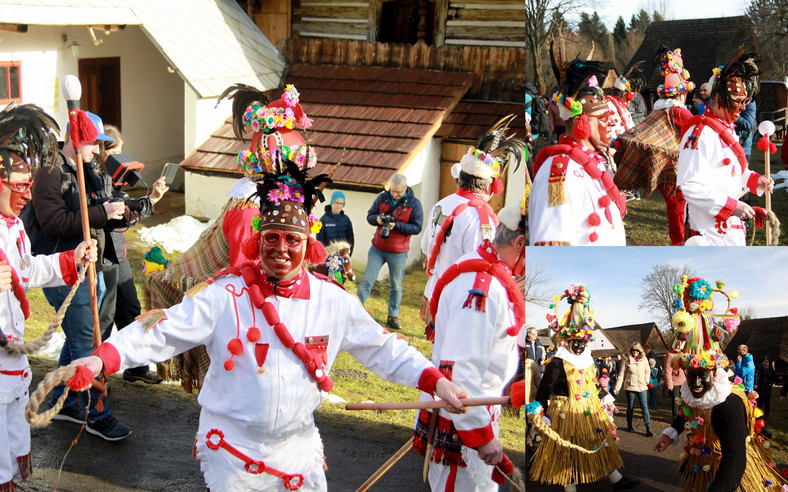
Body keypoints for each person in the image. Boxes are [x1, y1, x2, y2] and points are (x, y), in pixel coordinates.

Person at [70, 119, 469, 491]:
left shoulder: (332, 300)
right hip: (233, 452)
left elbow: (385, 348)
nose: (281, 249)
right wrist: (102, 357)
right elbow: (161, 328)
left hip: (299, 455)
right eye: (272, 238)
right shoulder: (226, 295)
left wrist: (436, 381)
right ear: (258, 241)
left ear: (309, 245)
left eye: (292, 240)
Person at [0, 103, 98, 491]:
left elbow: (28, 272)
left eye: (29, 185)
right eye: (19, 187)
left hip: (13, 364)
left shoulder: (15, 229)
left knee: (11, 442)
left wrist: (70, 259)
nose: (26, 195)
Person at [22, 109, 132, 441]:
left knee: (76, 337)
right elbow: (53, 222)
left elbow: (100, 212)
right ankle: (94, 411)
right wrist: (102, 212)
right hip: (61, 268)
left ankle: (64, 399)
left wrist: (124, 212)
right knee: (87, 340)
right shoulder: (49, 171)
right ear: (77, 139)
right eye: (93, 143)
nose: (98, 150)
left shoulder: (86, 168)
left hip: (89, 264)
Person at [412, 198, 525, 491]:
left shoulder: (485, 269)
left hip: (471, 413)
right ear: (521, 244)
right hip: (464, 419)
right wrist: (481, 435)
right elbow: (458, 373)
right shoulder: (482, 288)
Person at [654, 275, 785, 491]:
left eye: (702, 375)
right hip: (703, 461)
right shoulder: (692, 394)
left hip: (731, 474)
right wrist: (671, 433)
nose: (695, 383)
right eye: (690, 375)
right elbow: (686, 413)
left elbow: (735, 458)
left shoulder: (727, 403)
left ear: (715, 373)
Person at [530, 284, 639, 491]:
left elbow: (593, 383)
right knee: (565, 450)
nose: (579, 346)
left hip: (589, 411)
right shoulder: (557, 362)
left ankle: (617, 480)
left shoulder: (588, 361)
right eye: (575, 342)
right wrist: (540, 412)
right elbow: (544, 390)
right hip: (566, 413)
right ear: (567, 340)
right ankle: (569, 488)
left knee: (600, 442)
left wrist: (604, 395)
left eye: (582, 342)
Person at [419, 119, 523, 326]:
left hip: (435, 290)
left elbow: (425, 248)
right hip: (459, 299)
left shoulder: (442, 203)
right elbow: (483, 265)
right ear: (489, 186)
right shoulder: (480, 216)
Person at [677, 50, 773, 246]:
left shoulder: (726, 130)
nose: (743, 108)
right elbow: (689, 186)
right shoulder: (700, 133)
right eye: (738, 101)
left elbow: (732, 171)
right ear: (720, 98)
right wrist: (731, 205)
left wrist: (756, 180)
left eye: (745, 101)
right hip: (709, 232)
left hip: (731, 229)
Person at [528, 56, 627, 246]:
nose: (612, 122)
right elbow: (550, 244)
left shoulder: (596, 163)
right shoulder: (559, 172)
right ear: (578, 122)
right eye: (602, 117)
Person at [98, 125, 168, 384]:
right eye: (115, 150)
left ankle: (136, 368)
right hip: (102, 255)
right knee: (105, 315)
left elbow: (126, 217)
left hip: (119, 252)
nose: (120, 156)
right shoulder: (94, 177)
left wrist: (152, 198)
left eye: (122, 150)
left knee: (130, 308)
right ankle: (97, 373)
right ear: (101, 151)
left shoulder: (118, 177)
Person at [613, 47, 694, 246]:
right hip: (677, 171)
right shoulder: (679, 113)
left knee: (675, 207)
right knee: (681, 208)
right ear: (681, 95)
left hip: (662, 168)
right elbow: (698, 131)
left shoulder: (657, 111)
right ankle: (682, 242)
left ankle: (679, 242)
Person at [356, 173, 423, 330]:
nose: (394, 194)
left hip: (398, 251)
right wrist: (377, 219)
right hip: (377, 248)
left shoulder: (414, 204)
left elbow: (417, 227)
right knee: (367, 280)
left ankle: (393, 316)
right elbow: (370, 216)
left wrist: (396, 226)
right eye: (392, 191)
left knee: (396, 286)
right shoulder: (382, 198)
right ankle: (356, 310)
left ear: (405, 188)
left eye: (398, 192)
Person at [614, 342, 652, 436]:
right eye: (633, 350)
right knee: (630, 407)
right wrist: (617, 388)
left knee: (645, 407)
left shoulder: (644, 359)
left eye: (637, 350)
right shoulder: (626, 360)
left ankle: (648, 428)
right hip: (630, 386)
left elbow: (647, 371)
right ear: (631, 350)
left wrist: (646, 381)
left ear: (640, 351)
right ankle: (629, 425)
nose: (635, 352)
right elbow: (621, 374)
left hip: (642, 386)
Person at [315, 190, 354, 255]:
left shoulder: (346, 219)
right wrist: (325, 254)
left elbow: (351, 239)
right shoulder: (324, 219)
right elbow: (320, 239)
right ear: (332, 202)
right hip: (328, 255)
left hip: (343, 255)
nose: (339, 205)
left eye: (341, 203)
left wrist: (348, 254)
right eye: (337, 203)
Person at [664, 343, 686, 422]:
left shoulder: (683, 354)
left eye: (679, 345)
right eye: (676, 344)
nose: (678, 346)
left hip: (683, 382)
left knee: (684, 401)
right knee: (676, 401)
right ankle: (676, 419)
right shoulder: (670, 355)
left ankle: (683, 418)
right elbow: (667, 371)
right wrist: (670, 385)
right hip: (675, 383)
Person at [755, 356, 776, 421]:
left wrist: (771, 383)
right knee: (760, 402)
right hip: (761, 387)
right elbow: (757, 377)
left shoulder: (771, 369)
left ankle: (767, 415)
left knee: (767, 403)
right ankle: (758, 415)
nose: (766, 363)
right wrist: (756, 384)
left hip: (767, 388)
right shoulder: (759, 368)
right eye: (765, 362)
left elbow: (774, 377)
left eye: (767, 362)